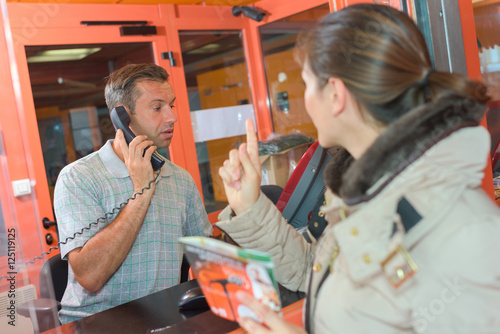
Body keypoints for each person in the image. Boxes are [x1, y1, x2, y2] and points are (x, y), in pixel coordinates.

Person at [216, 4, 500, 333]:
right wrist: (249, 205)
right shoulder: (365, 192)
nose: (305, 99)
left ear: (335, 94)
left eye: (306, 83)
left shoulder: (463, 230)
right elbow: (316, 269)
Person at [54, 63, 212, 324]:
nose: (172, 117)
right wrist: (141, 190)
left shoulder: (179, 179)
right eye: (157, 107)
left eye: (171, 105)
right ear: (122, 118)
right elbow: (90, 277)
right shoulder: (78, 178)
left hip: (164, 318)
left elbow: (206, 257)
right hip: (97, 324)